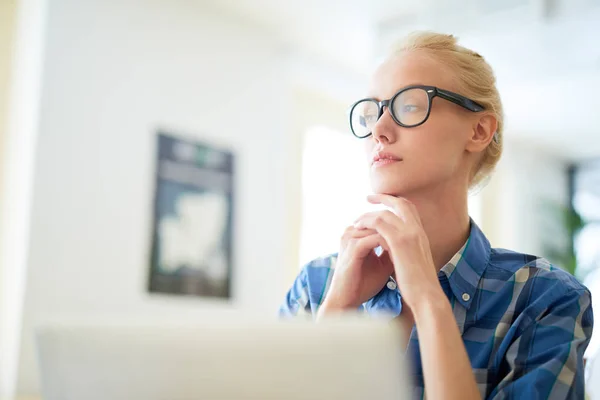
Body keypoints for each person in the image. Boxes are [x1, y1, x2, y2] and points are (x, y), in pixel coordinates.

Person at [279, 31, 593, 399]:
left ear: (478, 130)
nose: (378, 130)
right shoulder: (316, 286)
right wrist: (336, 310)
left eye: (409, 106)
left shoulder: (544, 299)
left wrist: (428, 300)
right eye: (370, 112)